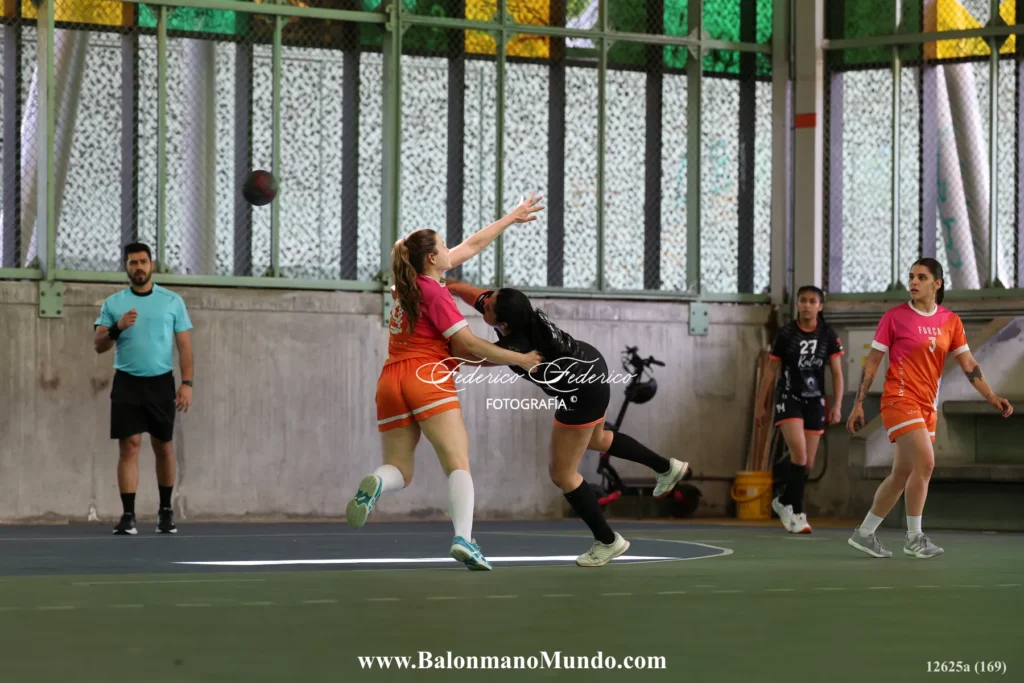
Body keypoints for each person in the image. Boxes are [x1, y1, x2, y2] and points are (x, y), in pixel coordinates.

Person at [345, 196, 545, 571]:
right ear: (432, 257)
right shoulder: (436, 293)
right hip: (427, 378)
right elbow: (468, 344)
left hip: (391, 380)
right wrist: (520, 359)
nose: (450, 248)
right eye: (442, 245)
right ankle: (464, 539)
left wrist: (510, 218)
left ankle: (376, 482)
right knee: (457, 464)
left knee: (399, 470)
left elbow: (473, 245)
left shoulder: (406, 285)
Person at [444, 280, 690, 568]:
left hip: (581, 392)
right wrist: (448, 286)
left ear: (504, 323)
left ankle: (608, 541)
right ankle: (667, 467)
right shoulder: (518, 313)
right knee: (598, 439)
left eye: (488, 306)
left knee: (562, 473)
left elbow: (468, 354)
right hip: (592, 365)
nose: (484, 303)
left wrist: (434, 338)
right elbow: (475, 295)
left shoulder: (518, 346)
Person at [846, 258, 1014, 559]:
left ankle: (865, 533)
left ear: (937, 284)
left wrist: (990, 396)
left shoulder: (950, 321)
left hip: (927, 405)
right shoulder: (894, 318)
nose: (913, 281)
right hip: (899, 399)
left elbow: (968, 364)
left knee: (903, 473)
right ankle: (914, 538)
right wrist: (858, 403)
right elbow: (872, 362)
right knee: (926, 462)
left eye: (921, 277)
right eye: (911, 276)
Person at [93, 242, 194, 536]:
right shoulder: (114, 303)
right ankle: (128, 516)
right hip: (127, 382)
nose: (139, 267)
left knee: (164, 446)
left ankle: (165, 512)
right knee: (129, 446)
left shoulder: (172, 301)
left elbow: (184, 346)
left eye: (143, 262)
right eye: (133, 263)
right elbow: (99, 345)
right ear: (126, 267)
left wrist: (187, 383)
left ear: (152, 264)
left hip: (161, 382)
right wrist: (118, 327)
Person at [756, 285, 844, 534]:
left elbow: (837, 373)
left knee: (807, 465)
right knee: (800, 455)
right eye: (803, 300)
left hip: (815, 401)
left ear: (820, 306)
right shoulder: (786, 334)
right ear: (797, 304)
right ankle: (798, 514)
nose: (807, 305)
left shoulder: (827, 335)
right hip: (789, 398)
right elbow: (771, 371)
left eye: (812, 301)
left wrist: (837, 405)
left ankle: (783, 501)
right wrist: (761, 404)